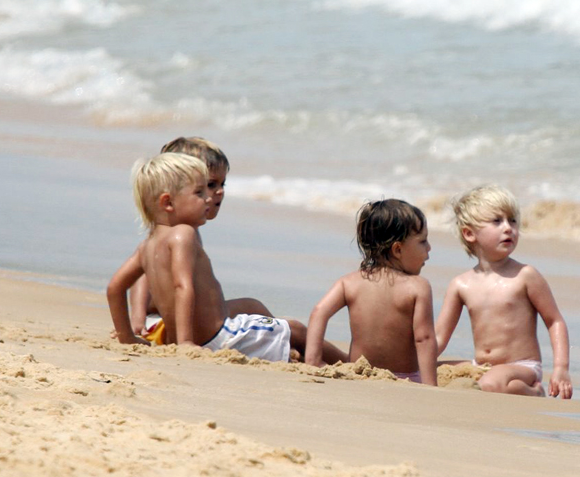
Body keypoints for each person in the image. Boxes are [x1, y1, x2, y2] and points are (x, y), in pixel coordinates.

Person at [107, 153, 346, 364]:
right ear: (168, 202)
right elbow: (183, 286)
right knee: (295, 329)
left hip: (189, 338)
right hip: (221, 337)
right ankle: (349, 362)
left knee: (253, 308)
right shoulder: (183, 234)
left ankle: (289, 354)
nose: (208, 199)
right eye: (199, 193)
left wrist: (126, 335)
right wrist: (186, 342)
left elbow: (114, 288)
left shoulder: (146, 246)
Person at [127, 137, 273, 341]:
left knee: (248, 306)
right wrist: (138, 317)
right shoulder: (180, 231)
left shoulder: (171, 226)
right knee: (252, 307)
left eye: (222, 183)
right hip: (165, 323)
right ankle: (281, 343)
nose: (219, 191)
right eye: (209, 185)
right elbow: (142, 275)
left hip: (167, 321)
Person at [435, 184, 572, 398]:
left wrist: (561, 368)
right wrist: (413, 366)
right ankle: (507, 388)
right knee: (432, 372)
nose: (508, 228)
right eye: (497, 221)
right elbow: (439, 337)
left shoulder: (525, 276)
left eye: (513, 220)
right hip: (481, 366)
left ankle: (533, 392)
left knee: (489, 384)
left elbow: (555, 321)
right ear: (470, 234)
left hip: (522, 366)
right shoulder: (461, 284)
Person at [305, 199, 438, 386]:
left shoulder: (349, 282)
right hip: (404, 378)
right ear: (398, 249)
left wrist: (313, 361)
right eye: (423, 241)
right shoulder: (418, 286)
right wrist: (430, 385)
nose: (429, 247)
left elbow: (319, 312)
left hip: (357, 375)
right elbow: (424, 338)